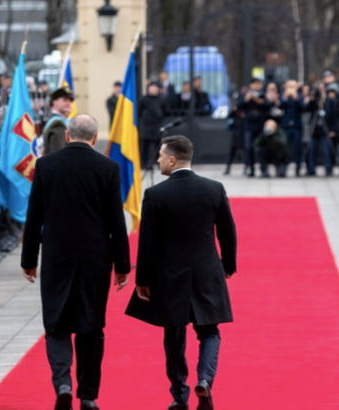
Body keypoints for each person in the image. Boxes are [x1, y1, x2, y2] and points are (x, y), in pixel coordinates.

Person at [21, 115, 131, 410]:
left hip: (57, 256)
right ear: (95, 139)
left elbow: (35, 217)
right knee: (91, 326)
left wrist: (29, 259)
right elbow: (115, 221)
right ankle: (88, 395)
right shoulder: (109, 167)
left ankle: (63, 383)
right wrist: (122, 265)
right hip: (96, 258)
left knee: (56, 324)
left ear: (67, 136)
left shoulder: (46, 165)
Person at [126, 135, 237, 410]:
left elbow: (147, 242)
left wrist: (143, 280)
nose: (158, 160)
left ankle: (179, 396)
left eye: (161, 156)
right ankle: (205, 381)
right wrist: (228, 265)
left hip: (169, 276)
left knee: (173, 337)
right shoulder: (214, 188)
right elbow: (228, 232)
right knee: (210, 333)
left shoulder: (155, 194)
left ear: (172, 160)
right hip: (206, 272)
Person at [237, 78, 270, 177]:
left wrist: (260, 101)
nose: (258, 86)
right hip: (249, 125)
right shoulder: (245, 95)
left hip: (260, 125)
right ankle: (251, 169)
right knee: (249, 148)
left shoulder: (263, 95)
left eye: (259, 84)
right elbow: (239, 106)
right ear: (251, 85)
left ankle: (264, 169)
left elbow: (268, 105)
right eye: (256, 84)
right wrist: (247, 99)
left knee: (261, 148)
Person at [279, 80, 307, 176]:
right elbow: (280, 106)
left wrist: (296, 98)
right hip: (286, 126)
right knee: (284, 147)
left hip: (297, 126)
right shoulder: (284, 96)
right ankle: (282, 168)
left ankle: (298, 169)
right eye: (289, 86)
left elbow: (303, 107)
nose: (291, 88)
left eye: (293, 86)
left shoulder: (300, 96)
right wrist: (286, 97)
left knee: (298, 148)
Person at [139, 82, 166, 168]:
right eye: (151, 87)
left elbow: (165, 110)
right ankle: (144, 163)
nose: (153, 89)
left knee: (158, 146)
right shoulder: (144, 99)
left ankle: (158, 162)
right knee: (145, 146)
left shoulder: (162, 99)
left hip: (157, 125)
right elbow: (139, 111)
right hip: (146, 126)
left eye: (154, 87)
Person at [42, 87, 74, 155]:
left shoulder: (53, 121)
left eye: (70, 101)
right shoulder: (58, 124)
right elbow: (58, 155)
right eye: (65, 100)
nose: (69, 103)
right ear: (55, 102)